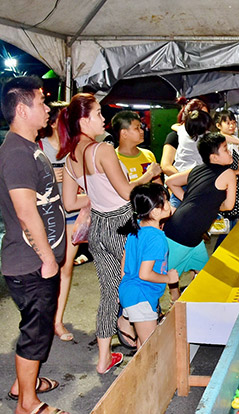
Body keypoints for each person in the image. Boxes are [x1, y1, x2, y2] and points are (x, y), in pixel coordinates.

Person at [58, 93, 161, 374]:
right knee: (142, 279)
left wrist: (94, 197)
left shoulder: (70, 157)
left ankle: (104, 359)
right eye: (99, 114)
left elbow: (69, 203)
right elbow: (128, 192)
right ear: (84, 119)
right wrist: (148, 176)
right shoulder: (101, 150)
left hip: (99, 227)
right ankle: (144, 343)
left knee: (109, 293)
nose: (104, 119)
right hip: (123, 223)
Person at [0, 77, 70, 414]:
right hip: (30, 262)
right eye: (42, 103)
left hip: (37, 259)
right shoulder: (15, 150)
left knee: (37, 326)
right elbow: (26, 212)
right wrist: (47, 259)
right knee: (35, 331)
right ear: (22, 109)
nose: (47, 109)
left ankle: (22, 383)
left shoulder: (30, 147)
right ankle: (27, 403)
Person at [164, 132, 237, 286]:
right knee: (158, 278)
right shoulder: (228, 173)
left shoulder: (196, 170)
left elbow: (170, 181)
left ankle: (181, 301)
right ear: (214, 157)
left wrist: (190, 200)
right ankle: (143, 308)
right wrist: (210, 205)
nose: (229, 151)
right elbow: (229, 206)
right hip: (182, 234)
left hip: (189, 233)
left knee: (203, 274)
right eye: (225, 149)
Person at [117, 184, 179, 348]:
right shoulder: (156, 238)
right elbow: (145, 274)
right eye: (165, 201)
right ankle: (146, 373)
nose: (169, 204)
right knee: (149, 347)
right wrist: (169, 278)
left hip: (132, 293)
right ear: (155, 211)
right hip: (141, 296)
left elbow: (124, 261)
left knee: (143, 342)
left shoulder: (137, 227)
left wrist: (123, 287)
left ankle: (124, 320)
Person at [37, 101, 79, 343]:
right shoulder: (39, 147)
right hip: (44, 216)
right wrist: (49, 176)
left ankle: (57, 321)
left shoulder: (75, 149)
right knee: (43, 268)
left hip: (71, 214)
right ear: (53, 122)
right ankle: (41, 318)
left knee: (66, 267)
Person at [214, 110, 239, 248]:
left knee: (237, 219)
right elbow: (221, 170)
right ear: (218, 125)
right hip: (224, 187)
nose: (231, 126)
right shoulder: (219, 142)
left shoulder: (233, 142)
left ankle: (233, 249)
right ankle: (219, 253)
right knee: (227, 223)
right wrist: (238, 173)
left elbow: (237, 162)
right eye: (227, 123)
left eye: (234, 123)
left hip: (234, 186)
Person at [160, 98, 208, 177]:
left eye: (206, 116)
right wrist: (184, 180)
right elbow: (166, 166)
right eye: (201, 115)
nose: (204, 120)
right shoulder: (175, 136)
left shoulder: (205, 137)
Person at [112, 110, 162, 184]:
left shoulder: (148, 154)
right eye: (137, 128)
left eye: (140, 127)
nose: (142, 131)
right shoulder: (113, 159)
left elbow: (157, 184)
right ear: (124, 133)